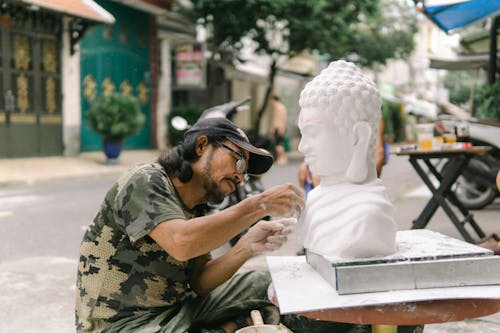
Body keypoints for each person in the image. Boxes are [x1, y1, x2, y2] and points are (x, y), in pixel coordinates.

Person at [75, 117, 370, 333]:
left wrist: (245, 247)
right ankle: (235, 325)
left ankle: (363, 324)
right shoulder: (146, 181)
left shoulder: (196, 207)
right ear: (202, 145)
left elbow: (200, 282)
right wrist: (258, 204)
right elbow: (181, 243)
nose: (241, 177)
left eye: (246, 173)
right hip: (122, 325)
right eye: (238, 161)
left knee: (275, 281)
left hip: (178, 309)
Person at [297, 60, 397, 259]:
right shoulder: (315, 199)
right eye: (302, 134)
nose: (302, 146)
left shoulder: (368, 216)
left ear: (359, 137)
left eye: (313, 133)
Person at [269, 95, 288, 165]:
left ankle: (283, 158)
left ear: (274, 100)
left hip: (278, 128)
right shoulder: (282, 107)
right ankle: (282, 158)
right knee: (279, 144)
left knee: (278, 144)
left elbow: (277, 120)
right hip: (281, 128)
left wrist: (272, 129)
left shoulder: (278, 108)